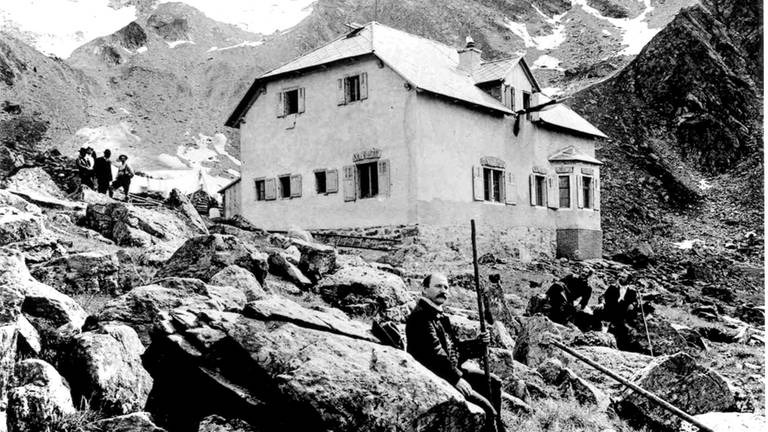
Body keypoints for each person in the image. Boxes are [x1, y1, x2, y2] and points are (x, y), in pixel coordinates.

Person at [406, 272, 504, 432]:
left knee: (493, 383)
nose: (443, 290)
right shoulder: (421, 317)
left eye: (446, 287)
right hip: (435, 376)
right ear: (424, 290)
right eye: (438, 286)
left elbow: (454, 350)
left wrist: (478, 344)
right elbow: (435, 355)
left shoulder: (438, 315)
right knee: (487, 409)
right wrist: (456, 378)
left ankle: (498, 427)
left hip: (447, 371)